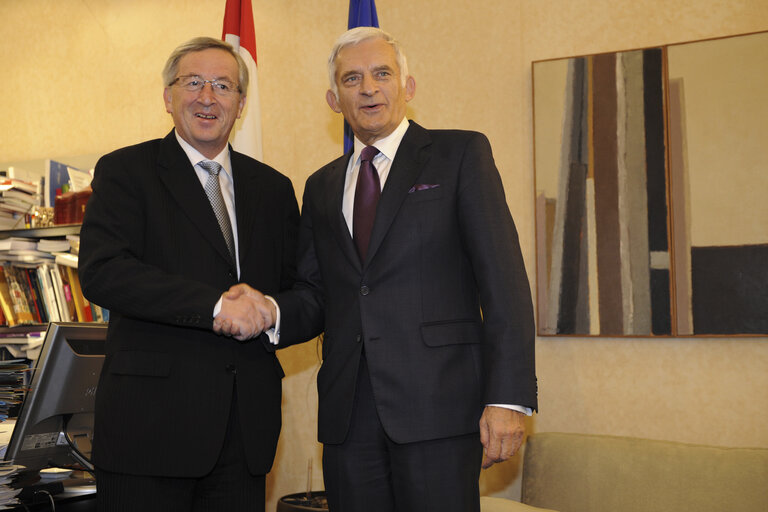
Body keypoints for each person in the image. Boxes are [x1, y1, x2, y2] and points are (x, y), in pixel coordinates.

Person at [225, 26, 537, 512]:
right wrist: (269, 310)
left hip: (439, 407)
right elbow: (316, 294)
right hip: (349, 419)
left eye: (382, 74)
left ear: (407, 87)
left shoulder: (460, 155)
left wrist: (510, 399)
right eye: (352, 79)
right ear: (334, 99)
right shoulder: (321, 186)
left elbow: (505, 282)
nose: (368, 88)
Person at [78, 36, 299, 512]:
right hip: (149, 432)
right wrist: (217, 306)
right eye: (193, 82)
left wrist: (272, 311)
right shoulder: (126, 171)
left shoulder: (274, 189)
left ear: (240, 104)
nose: (207, 97)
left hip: (244, 434)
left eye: (223, 86)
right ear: (168, 96)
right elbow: (104, 272)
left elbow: (301, 292)